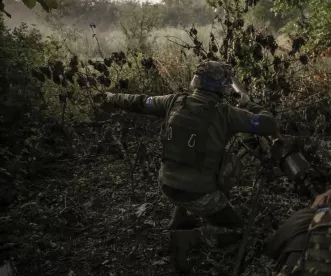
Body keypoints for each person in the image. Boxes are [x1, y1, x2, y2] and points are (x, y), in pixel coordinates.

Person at [95, 60, 279, 271]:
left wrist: (111, 97)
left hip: (166, 184)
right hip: (197, 193)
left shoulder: (174, 101)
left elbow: (141, 102)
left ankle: (178, 221)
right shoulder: (227, 114)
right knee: (236, 230)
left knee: (190, 161)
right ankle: (189, 239)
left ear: (197, 82)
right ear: (223, 86)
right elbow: (270, 125)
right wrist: (249, 103)